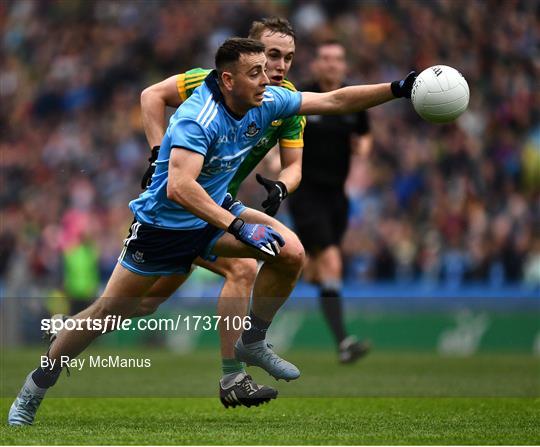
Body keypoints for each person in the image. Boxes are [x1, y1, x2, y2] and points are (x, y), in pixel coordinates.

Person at [8, 36, 416, 426]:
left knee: (291, 251)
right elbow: (179, 188)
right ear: (227, 80)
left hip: (214, 217)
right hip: (163, 229)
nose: (268, 79)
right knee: (107, 314)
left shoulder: (268, 100)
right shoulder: (196, 117)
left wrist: (399, 88)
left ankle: (252, 342)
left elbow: (333, 99)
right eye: (256, 72)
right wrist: (239, 226)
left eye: (268, 69)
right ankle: (36, 385)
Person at [137, 18, 305, 408]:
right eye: (271, 56)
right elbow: (151, 96)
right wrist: (157, 154)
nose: (278, 67)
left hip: (219, 206)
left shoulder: (287, 103)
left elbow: (294, 164)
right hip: (182, 204)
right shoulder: (210, 81)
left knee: (147, 300)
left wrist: (283, 184)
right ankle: (233, 376)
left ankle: (236, 370)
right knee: (145, 298)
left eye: (288, 58)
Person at [289, 41, 372, 363]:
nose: (331, 64)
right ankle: (344, 342)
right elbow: (280, 133)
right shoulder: (304, 98)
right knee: (332, 262)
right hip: (307, 194)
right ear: (316, 64)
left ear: (344, 65)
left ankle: (263, 278)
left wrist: (362, 149)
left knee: (313, 272)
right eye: (325, 58)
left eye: (337, 59)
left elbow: (364, 132)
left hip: (338, 197)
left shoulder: (353, 102)